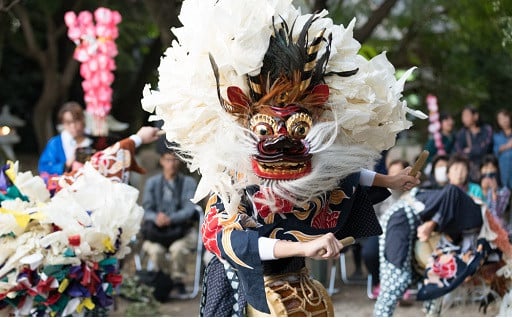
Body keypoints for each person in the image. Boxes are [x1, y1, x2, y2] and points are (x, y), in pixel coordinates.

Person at [141, 2, 426, 316]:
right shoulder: (233, 181)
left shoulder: (306, 168)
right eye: (265, 129)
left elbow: (341, 174)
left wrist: (391, 180)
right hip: (247, 291)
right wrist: (302, 247)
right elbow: (233, 241)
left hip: (300, 286)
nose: (281, 143)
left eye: (299, 128)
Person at [140, 147, 198, 298]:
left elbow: (189, 209)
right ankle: (163, 280)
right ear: (161, 161)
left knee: (178, 249)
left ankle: (177, 280)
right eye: (167, 159)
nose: (171, 164)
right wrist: (156, 218)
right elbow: (146, 208)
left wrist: (171, 218)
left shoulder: (188, 182)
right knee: (155, 251)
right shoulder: (152, 183)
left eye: (174, 159)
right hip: (156, 232)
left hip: (181, 231)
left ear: (179, 162)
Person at [361, 159, 410, 298]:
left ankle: (401, 285)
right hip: (381, 230)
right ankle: (379, 283)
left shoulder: (413, 192)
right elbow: (372, 213)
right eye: (391, 173)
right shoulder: (380, 191)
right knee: (369, 253)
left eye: (398, 173)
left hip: (404, 232)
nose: (395, 176)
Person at [38, 101, 93, 176]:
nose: (73, 126)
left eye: (76, 120)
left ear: (83, 120)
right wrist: (66, 164)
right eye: (68, 122)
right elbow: (44, 168)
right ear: (63, 124)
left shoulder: (93, 141)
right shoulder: (55, 143)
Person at [454, 105, 493, 183]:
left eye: (466, 115)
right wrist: (476, 150)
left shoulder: (487, 129)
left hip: (486, 168)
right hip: (470, 171)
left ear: (475, 116)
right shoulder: (462, 133)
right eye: (463, 116)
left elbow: (485, 148)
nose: (463, 119)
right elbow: (459, 151)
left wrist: (470, 150)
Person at [480, 154, 511, 227]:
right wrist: (483, 191)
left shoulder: (504, 191)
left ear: (497, 170)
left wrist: (494, 192)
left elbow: (496, 214)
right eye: (486, 168)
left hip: (496, 226)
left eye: (491, 168)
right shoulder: (475, 188)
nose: (488, 172)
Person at [493, 109, 512, 192]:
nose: (504, 120)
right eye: (500, 119)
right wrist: (507, 146)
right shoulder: (496, 136)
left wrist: (502, 148)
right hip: (503, 172)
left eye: (505, 117)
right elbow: (495, 152)